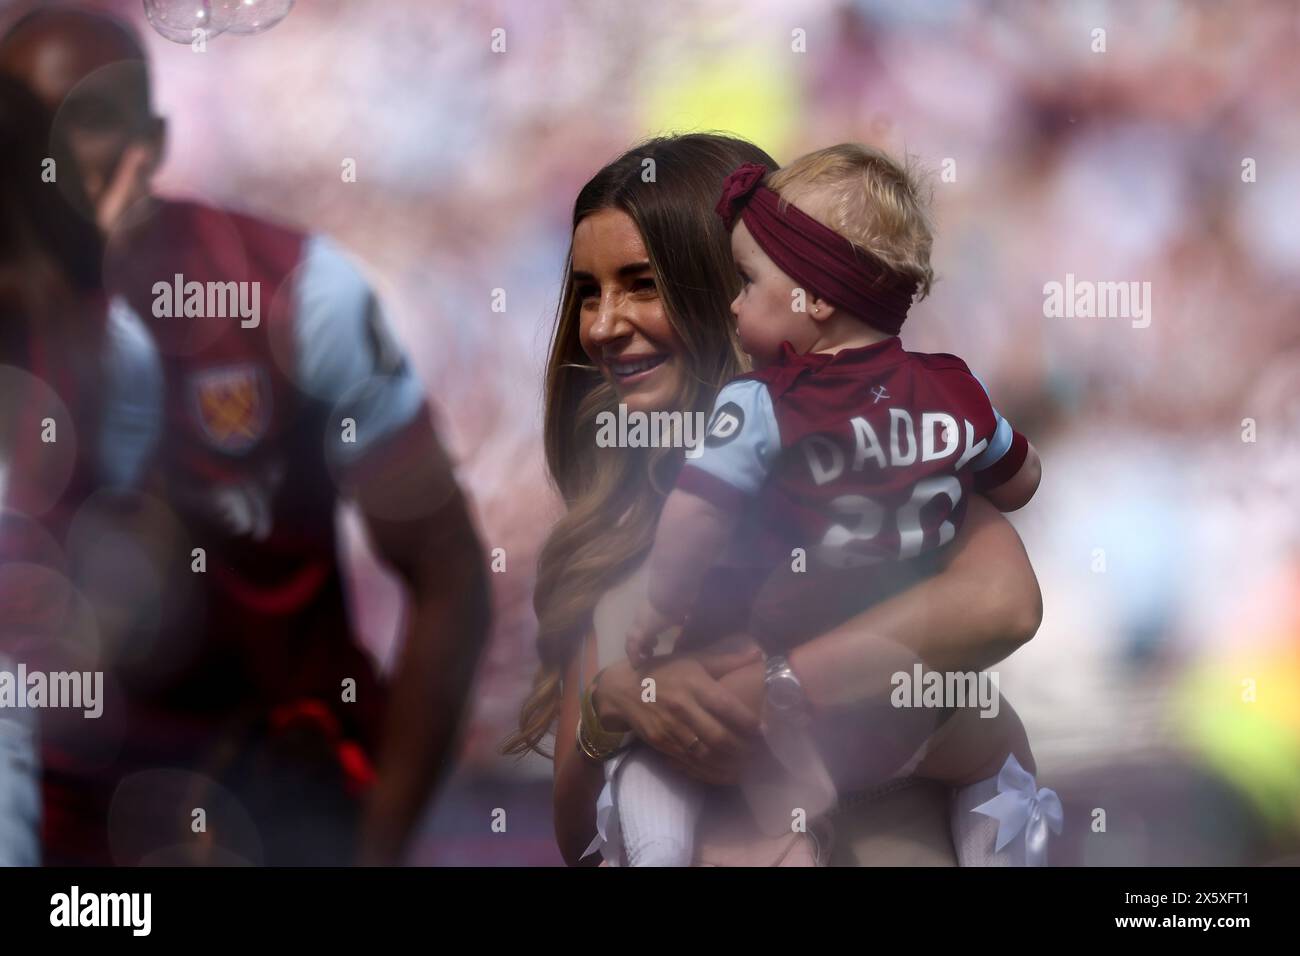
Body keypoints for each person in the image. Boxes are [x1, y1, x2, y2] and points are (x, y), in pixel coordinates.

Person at [0, 7, 491, 865]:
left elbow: (451, 576)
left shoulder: (296, 291)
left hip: (268, 810)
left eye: (75, 128)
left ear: (147, 143)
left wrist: (375, 853)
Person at [505, 133, 1048, 866]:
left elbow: (1005, 604)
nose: (601, 326)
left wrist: (780, 685)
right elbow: (580, 842)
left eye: (640, 284)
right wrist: (614, 706)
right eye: (588, 293)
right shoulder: (623, 521)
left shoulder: (866, 453)